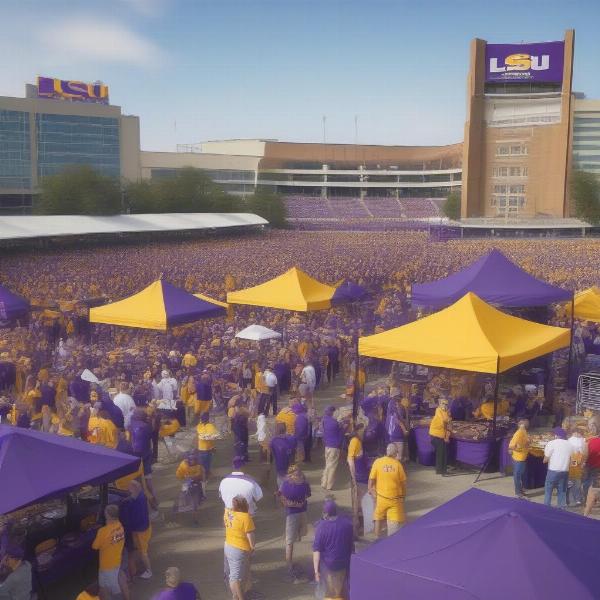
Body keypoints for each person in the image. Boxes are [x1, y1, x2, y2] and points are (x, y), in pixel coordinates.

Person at [312, 500, 354, 600]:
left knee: (332, 593)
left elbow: (316, 552)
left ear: (325, 514)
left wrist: (316, 571)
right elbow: (351, 544)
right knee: (343, 589)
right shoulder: (347, 524)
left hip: (330, 565)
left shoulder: (321, 527)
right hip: (345, 563)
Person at [278, 465, 311, 581]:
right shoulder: (286, 484)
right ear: (291, 475)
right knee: (289, 541)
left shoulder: (304, 482)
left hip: (301, 511)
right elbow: (282, 498)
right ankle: (289, 564)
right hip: (292, 514)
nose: (298, 476)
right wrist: (295, 504)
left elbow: (307, 494)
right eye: (296, 474)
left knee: (302, 532)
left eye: (299, 474)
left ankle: (290, 560)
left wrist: (300, 502)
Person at [368, 443, 407, 538]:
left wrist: (370, 489)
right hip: (394, 500)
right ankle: (391, 543)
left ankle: (377, 539)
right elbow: (403, 483)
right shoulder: (398, 465)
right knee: (393, 522)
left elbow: (371, 479)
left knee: (378, 518)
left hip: (380, 498)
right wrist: (403, 496)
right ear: (395, 454)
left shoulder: (378, 462)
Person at [92, 504, 129, 600]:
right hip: (116, 563)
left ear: (108, 515)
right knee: (104, 589)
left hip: (107, 567)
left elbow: (95, 546)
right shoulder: (120, 526)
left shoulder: (102, 531)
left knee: (114, 593)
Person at [223, 496, 256, 600]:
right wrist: (252, 547)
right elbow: (250, 535)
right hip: (239, 549)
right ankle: (240, 598)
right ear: (244, 505)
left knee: (234, 575)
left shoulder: (228, 512)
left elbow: (225, 523)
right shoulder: (246, 517)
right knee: (235, 577)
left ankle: (235, 596)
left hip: (228, 545)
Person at [122, 480, 153, 580]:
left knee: (143, 552)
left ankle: (149, 571)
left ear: (135, 488)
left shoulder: (136, 501)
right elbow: (132, 497)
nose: (128, 490)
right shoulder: (142, 495)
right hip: (145, 527)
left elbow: (134, 516)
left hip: (141, 530)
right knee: (143, 549)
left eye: (130, 488)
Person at [347, 423, 370, 537]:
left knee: (361, 502)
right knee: (358, 503)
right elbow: (350, 460)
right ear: (358, 430)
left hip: (361, 476)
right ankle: (357, 530)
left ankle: (360, 527)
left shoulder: (358, 441)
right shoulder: (354, 441)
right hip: (359, 477)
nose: (364, 432)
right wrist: (353, 477)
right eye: (363, 430)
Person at [543, 427, 573, 509]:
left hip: (553, 471)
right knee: (562, 491)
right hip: (564, 471)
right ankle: (561, 509)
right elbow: (570, 459)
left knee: (548, 491)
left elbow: (545, 460)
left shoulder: (551, 443)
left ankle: (546, 508)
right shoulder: (569, 444)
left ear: (556, 435)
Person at [174, 452, 205, 522]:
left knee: (196, 501)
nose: (192, 461)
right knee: (182, 498)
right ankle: (181, 513)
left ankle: (195, 516)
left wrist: (190, 477)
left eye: (194, 459)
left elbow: (200, 476)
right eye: (191, 460)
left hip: (197, 484)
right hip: (186, 484)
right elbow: (178, 475)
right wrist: (184, 478)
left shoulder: (199, 466)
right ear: (188, 459)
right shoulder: (184, 465)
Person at [321, 406, 344, 491]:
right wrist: (342, 427)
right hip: (334, 447)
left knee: (327, 464)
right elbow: (341, 434)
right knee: (332, 466)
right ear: (332, 412)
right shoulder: (335, 423)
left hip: (327, 446)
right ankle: (329, 485)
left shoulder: (325, 420)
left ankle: (324, 482)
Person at [270, 422, 298, 488]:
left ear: (276, 430)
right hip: (291, 464)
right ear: (285, 429)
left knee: (281, 482)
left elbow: (272, 452)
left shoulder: (273, 441)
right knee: (291, 481)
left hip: (280, 465)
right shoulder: (292, 438)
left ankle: (282, 494)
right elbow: (295, 448)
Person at [429, 398, 451, 476]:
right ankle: (441, 471)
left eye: (446, 404)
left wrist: (447, 436)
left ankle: (442, 470)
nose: (445, 405)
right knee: (441, 452)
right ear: (439, 404)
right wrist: (448, 418)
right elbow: (444, 421)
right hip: (435, 435)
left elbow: (448, 425)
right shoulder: (438, 410)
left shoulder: (446, 413)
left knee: (443, 452)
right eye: (443, 403)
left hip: (442, 435)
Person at [508, 419, 530, 498]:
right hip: (518, 458)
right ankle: (518, 492)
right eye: (526, 423)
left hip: (522, 457)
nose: (528, 424)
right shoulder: (518, 433)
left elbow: (525, 442)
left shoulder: (523, 431)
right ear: (521, 424)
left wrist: (527, 443)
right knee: (517, 475)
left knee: (521, 474)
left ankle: (521, 490)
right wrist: (520, 449)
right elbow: (511, 446)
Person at [196, 412, 219, 477]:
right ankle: (204, 474)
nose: (202, 419)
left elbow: (213, 436)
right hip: (201, 448)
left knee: (208, 462)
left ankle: (207, 472)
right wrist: (207, 435)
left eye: (203, 417)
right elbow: (201, 434)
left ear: (207, 418)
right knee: (202, 463)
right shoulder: (199, 425)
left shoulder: (210, 426)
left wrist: (213, 447)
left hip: (209, 448)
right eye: (201, 417)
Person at [567, 428, 585, 506]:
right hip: (575, 466)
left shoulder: (577, 440)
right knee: (575, 484)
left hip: (574, 466)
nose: (578, 434)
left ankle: (574, 500)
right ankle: (576, 499)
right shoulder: (576, 440)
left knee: (573, 484)